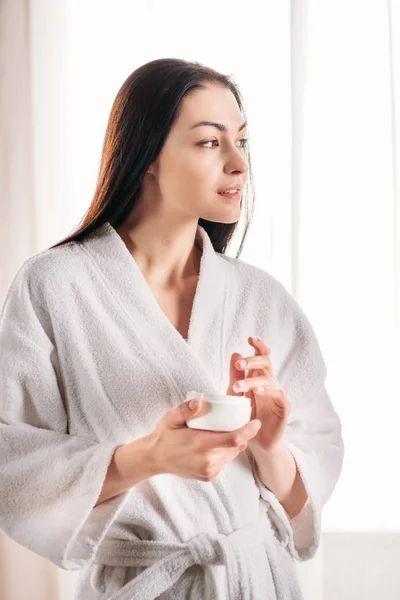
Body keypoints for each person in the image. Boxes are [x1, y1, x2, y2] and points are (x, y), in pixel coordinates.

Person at [0, 58, 344, 599]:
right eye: (210, 143)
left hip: (255, 580)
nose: (238, 164)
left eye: (243, 142)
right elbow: (12, 463)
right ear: (147, 156)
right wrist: (151, 457)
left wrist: (271, 447)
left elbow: (301, 509)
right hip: (142, 582)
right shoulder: (55, 286)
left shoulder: (261, 297)